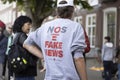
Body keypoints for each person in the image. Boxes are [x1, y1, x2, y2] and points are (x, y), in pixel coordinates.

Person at [23, 0, 88, 80]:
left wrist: (44, 57)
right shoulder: (76, 27)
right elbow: (78, 58)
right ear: (72, 10)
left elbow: (26, 43)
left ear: (57, 10)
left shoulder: (45, 27)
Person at [12, 16, 41, 80]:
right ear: (21, 24)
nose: (30, 27)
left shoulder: (16, 35)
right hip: (26, 70)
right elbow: (31, 47)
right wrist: (42, 56)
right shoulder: (22, 36)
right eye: (28, 24)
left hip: (19, 69)